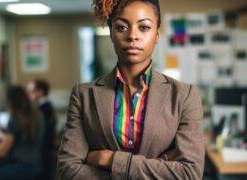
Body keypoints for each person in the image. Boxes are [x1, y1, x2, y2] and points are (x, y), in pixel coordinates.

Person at [58, 0, 205, 179]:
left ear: (157, 35)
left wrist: (110, 160)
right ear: (111, 33)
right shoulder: (83, 96)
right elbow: (68, 171)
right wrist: (160, 166)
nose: (132, 36)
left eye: (143, 27)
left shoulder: (184, 96)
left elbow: (189, 173)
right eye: (121, 27)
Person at [0, 85, 44, 180]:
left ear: (11, 102)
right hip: (36, 164)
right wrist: (7, 133)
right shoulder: (37, 114)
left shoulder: (15, 119)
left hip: (22, 166)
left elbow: (2, 152)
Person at [27, 79, 57, 179]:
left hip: (41, 152)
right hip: (46, 151)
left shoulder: (42, 110)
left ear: (40, 92)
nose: (29, 95)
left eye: (31, 91)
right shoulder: (47, 106)